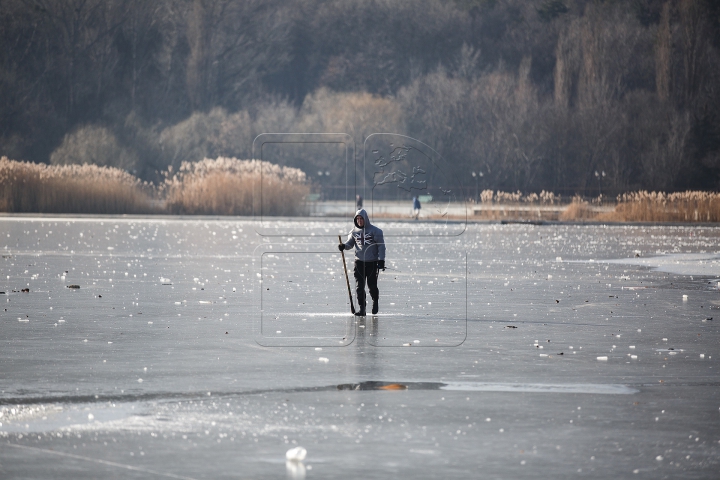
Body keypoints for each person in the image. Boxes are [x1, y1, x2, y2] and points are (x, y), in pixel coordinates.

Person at [338, 209, 385, 316]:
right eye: (357, 219)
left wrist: (381, 260)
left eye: (361, 219)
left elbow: (381, 247)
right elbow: (350, 244)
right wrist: (343, 246)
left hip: (372, 263)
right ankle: (362, 309)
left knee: (372, 286)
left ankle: (375, 302)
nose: (359, 221)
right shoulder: (353, 232)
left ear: (365, 219)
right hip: (359, 263)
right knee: (360, 287)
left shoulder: (376, 231)